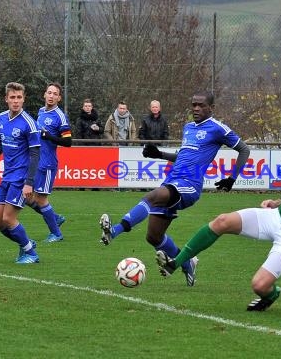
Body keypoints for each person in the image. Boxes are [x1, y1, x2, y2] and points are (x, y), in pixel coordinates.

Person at [156, 121, 281, 311]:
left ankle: (272, 294)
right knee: (222, 221)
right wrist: (276, 203)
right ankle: (177, 262)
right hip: (276, 217)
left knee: (259, 285)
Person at [99, 91, 251, 287]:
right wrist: (159, 153)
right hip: (173, 180)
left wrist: (232, 178)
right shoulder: (188, 127)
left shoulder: (217, 128)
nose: (195, 108)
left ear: (211, 108)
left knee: (153, 196)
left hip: (190, 185)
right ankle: (188, 264)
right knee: (154, 237)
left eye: (200, 105)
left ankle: (114, 231)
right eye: (193, 104)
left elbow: (244, 149)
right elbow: (184, 155)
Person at [0, 82, 41, 264]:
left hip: (21, 177)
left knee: (8, 218)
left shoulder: (29, 123)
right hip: (7, 176)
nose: (16, 101)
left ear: (23, 99)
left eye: (19, 97)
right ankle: (26, 243)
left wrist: (29, 182)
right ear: (6, 99)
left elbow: (35, 154)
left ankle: (31, 254)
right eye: (12, 97)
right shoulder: (2, 118)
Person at [26, 82, 72, 243]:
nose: (51, 96)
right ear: (44, 94)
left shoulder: (60, 116)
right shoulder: (41, 111)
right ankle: (55, 217)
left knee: (41, 200)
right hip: (36, 161)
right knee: (27, 198)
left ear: (59, 98)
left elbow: (68, 142)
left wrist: (49, 136)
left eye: (55, 94)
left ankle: (56, 233)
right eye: (49, 93)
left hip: (47, 164)